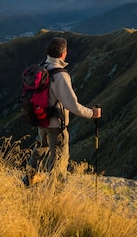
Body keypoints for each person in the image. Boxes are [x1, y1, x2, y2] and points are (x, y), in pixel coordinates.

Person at [25, 36, 101, 185]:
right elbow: (72, 105)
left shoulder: (41, 67)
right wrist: (92, 113)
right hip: (56, 125)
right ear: (63, 54)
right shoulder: (60, 75)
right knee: (59, 158)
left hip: (41, 120)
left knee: (40, 148)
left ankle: (28, 178)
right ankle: (55, 193)